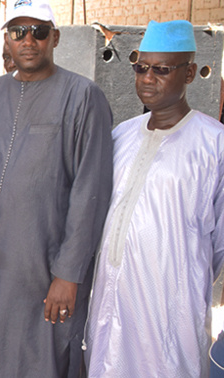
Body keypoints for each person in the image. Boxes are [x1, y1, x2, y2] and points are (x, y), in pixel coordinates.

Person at [0, 0, 114, 376]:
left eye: (39, 31)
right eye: (18, 32)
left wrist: (69, 272)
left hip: (45, 263)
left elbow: (90, 190)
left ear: (55, 37)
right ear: (7, 41)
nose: (29, 40)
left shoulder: (83, 96)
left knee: (42, 359)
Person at [85, 20, 224, 378]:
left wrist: (181, 276)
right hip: (113, 295)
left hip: (170, 303)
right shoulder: (121, 135)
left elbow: (220, 243)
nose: (148, 78)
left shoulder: (214, 144)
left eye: (162, 69)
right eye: (141, 67)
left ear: (190, 72)